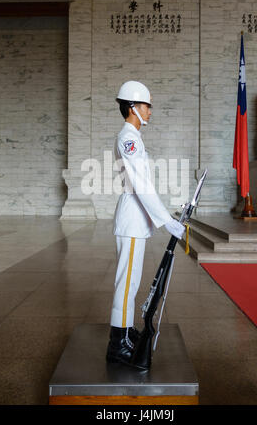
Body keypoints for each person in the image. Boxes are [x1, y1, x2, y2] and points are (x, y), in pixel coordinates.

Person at [106, 80, 185, 365]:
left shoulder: (134, 138)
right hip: (131, 218)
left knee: (131, 281)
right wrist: (166, 221)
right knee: (126, 283)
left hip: (136, 219)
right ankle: (118, 343)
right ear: (132, 108)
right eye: (145, 106)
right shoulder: (128, 138)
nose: (150, 111)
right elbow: (140, 185)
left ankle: (126, 332)